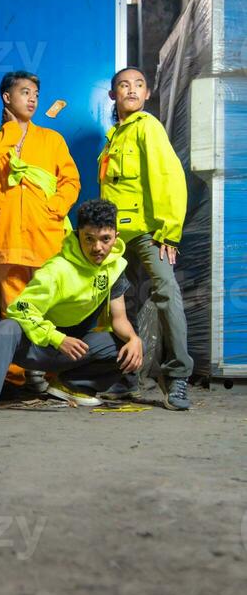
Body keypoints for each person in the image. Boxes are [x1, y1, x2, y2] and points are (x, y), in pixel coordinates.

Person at [0, 199, 143, 420]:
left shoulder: (115, 267)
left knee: (126, 346)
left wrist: (134, 338)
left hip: (74, 346)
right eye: (89, 239)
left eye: (105, 239)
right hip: (37, 346)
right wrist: (57, 338)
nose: (97, 247)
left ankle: (70, 386)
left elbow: (119, 318)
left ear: (115, 237)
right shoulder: (57, 270)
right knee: (7, 327)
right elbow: (20, 308)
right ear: (77, 235)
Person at [0, 69, 80, 386]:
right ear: (7, 97)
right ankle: (17, 375)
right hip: (7, 238)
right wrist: (10, 131)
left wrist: (55, 208)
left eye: (35, 93)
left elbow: (71, 181)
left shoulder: (51, 139)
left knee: (50, 308)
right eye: (24, 92)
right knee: (14, 311)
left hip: (46, 235)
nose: (32, 98)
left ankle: (49, 373)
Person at [99, 67, 192, 411]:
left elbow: (168, 176)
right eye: (124, 85)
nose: (132, 90)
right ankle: (128, 378)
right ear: (113, 95)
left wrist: (168, 230)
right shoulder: (114, 138)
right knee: (123, 305)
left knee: (167, 294)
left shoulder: (147, 127)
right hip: (117, 240)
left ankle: (178, 376)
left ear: (147, 93)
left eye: (139, 85)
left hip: (148, 233)